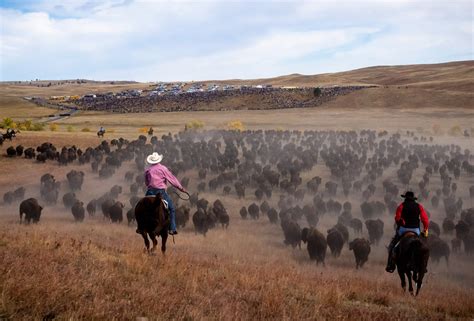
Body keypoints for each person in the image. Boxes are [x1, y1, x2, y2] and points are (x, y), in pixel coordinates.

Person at [385, 191, 429, 273]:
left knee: (393, 246)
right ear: (413, 199)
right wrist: (425, 229)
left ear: (405, 198)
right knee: (423, 245)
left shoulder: (401, 206)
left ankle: (390, 265)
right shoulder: (419, 206)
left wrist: (400, 222)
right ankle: (424, 265)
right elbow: (425, 219)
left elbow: (397, 218)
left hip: (403, 229)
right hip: (416, 230)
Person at [144, 152, 186, 235]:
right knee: (171, 209)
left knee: (144, 209)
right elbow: (172, 179)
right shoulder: (163, 168)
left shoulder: (147, 170)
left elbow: (146, 182)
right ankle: (172, 229)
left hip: (150, 192)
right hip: (161, 192)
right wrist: (181, 188)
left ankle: (141, 227)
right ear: (159, 160)